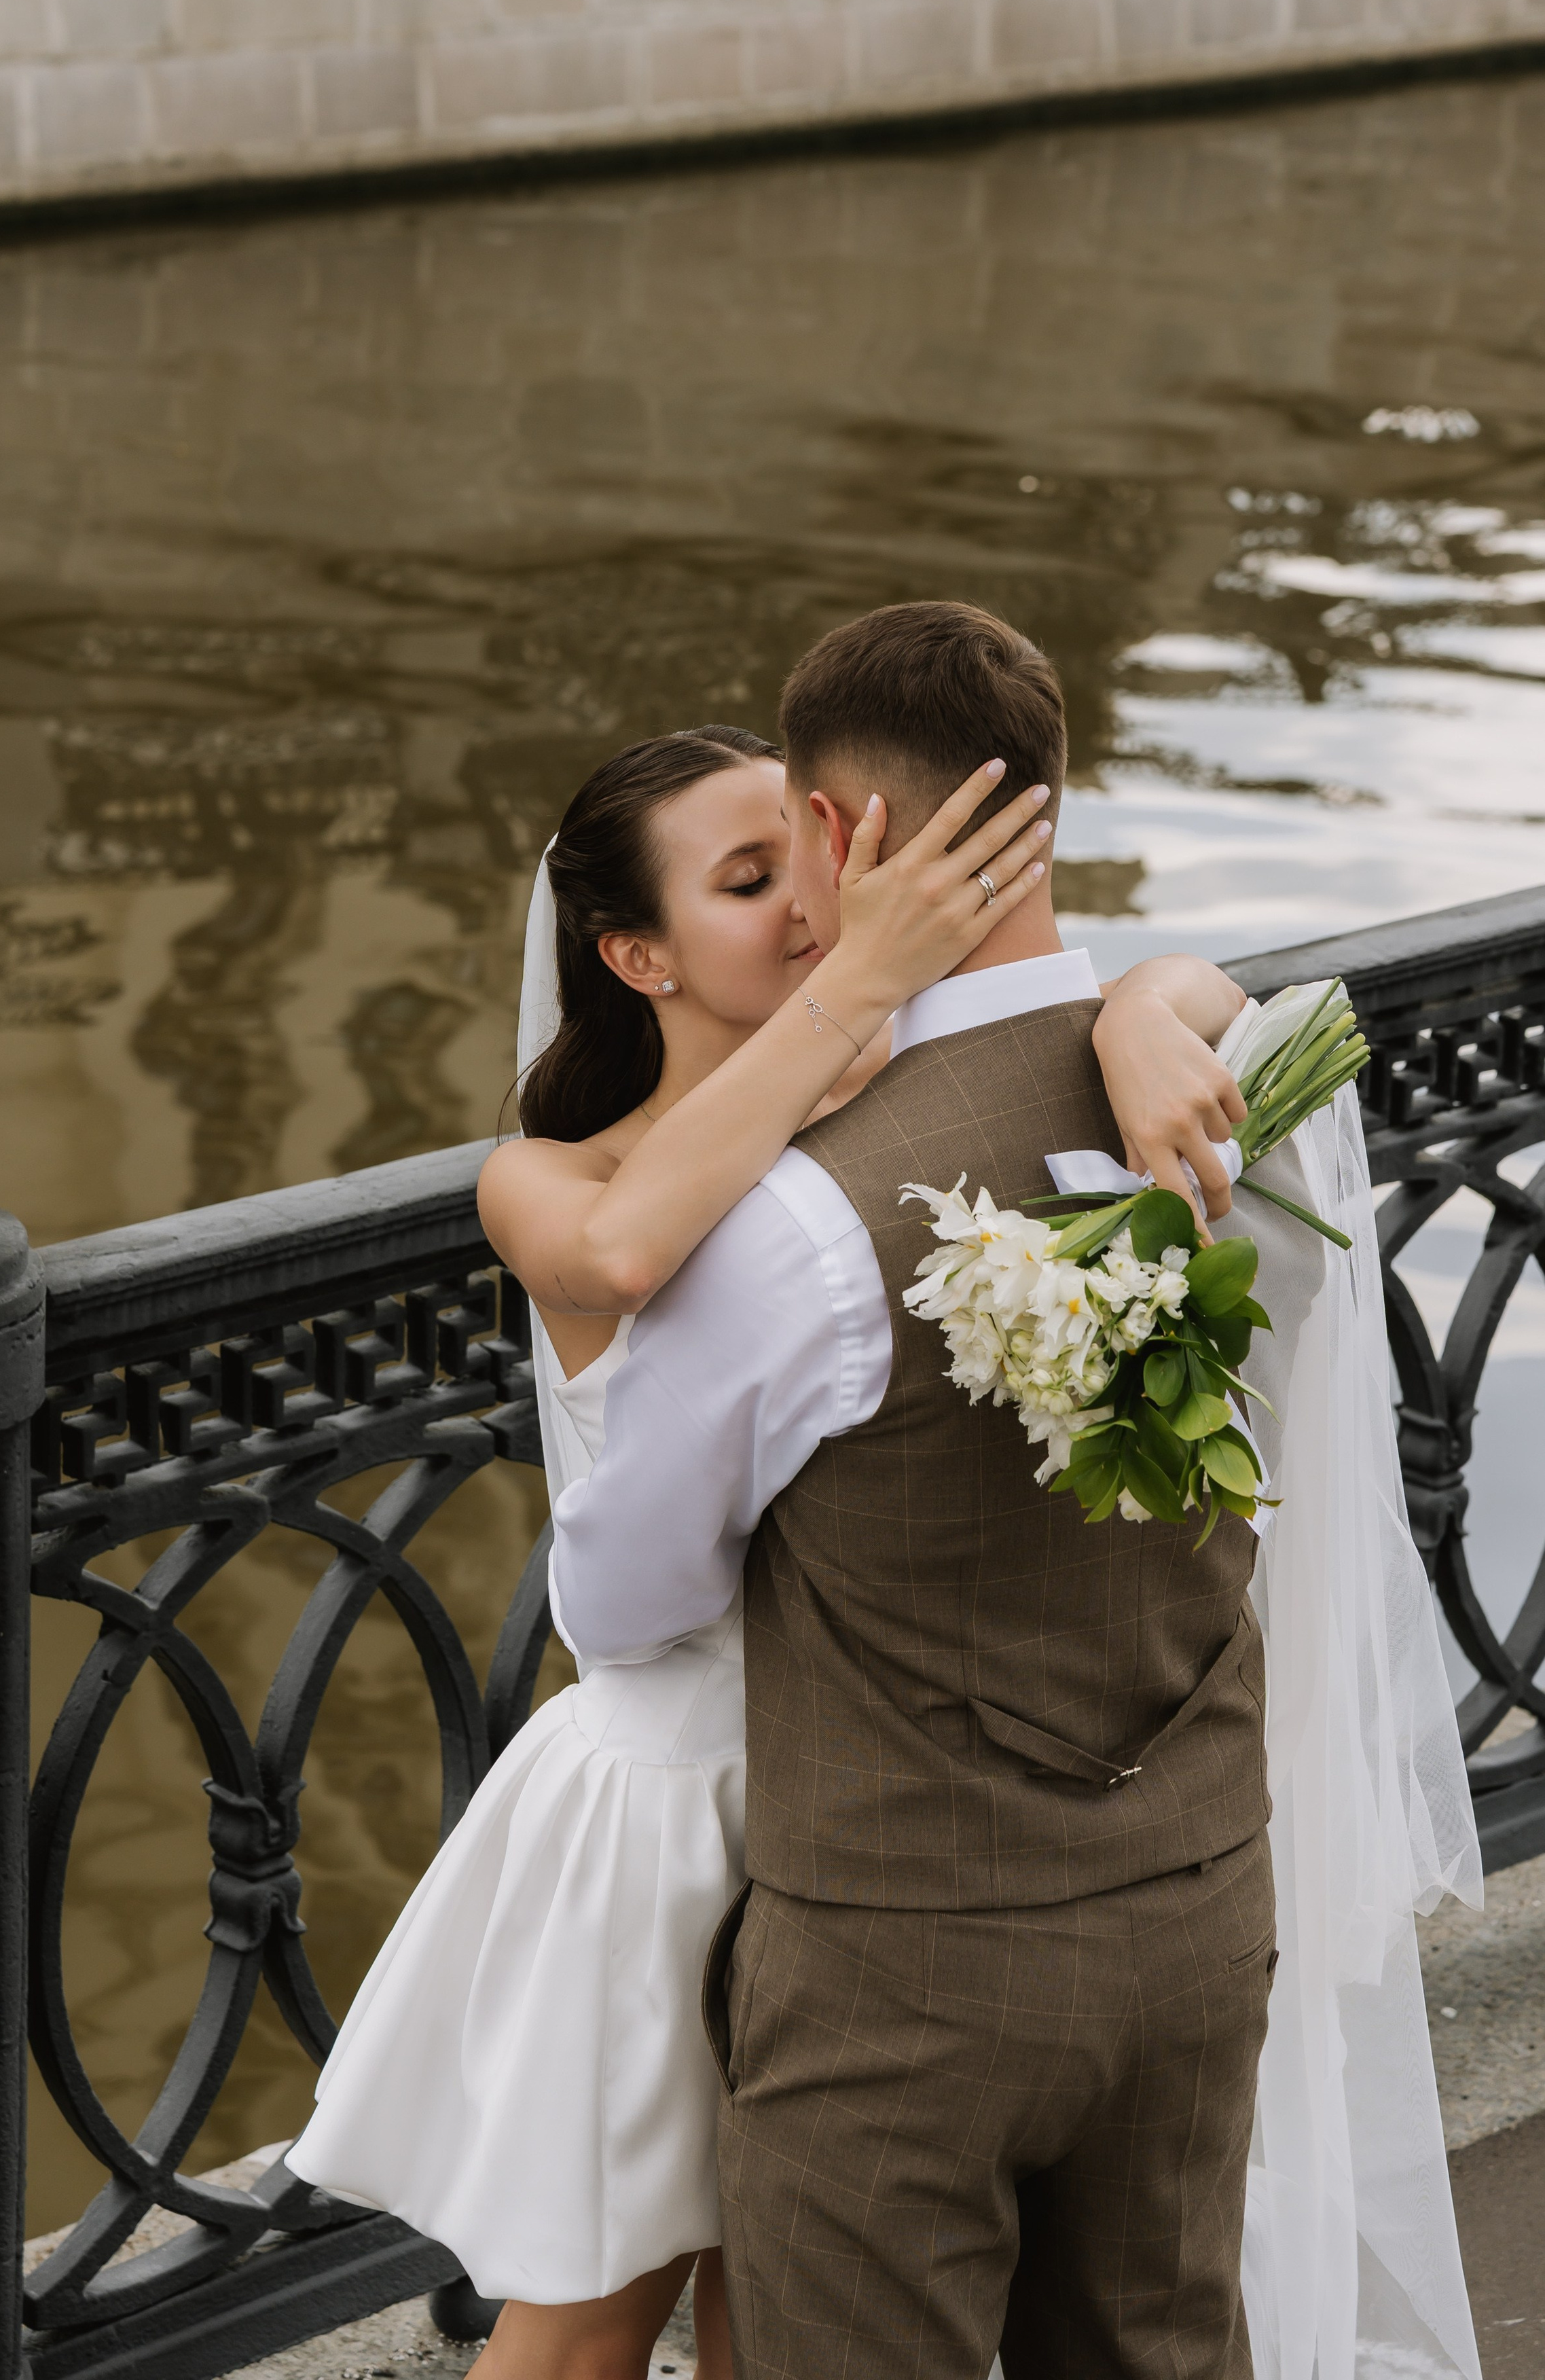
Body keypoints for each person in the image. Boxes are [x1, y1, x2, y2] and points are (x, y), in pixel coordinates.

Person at [551, 604, 1480, 2380]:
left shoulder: (793, 1223)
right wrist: (1145, 996)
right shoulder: (1238, 1100)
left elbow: (623, 1603)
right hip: (1199, 1907)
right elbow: (1200, 1001)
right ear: (1046, 803)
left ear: (836, 833)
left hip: (905, 1974)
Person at [286, 715, 1250, 2380]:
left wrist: (1138, 1008)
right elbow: (628, 1251)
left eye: (808, 859)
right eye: (749, 882)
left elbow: (1201, 984)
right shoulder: (554, 1176)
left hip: (890, 1789)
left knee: (791, 2313)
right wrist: (861, 983)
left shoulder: (877, 1129)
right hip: (686, 1797)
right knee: (594, 2317)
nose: (812, 906)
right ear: (635, 955)